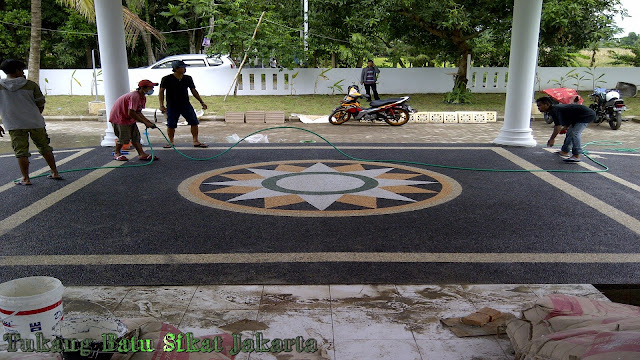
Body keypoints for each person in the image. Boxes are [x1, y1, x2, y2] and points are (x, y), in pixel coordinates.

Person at [0, 59, 62, 185]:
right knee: (44, 147)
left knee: (21, 152)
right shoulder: (31, 85)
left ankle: (26, 178)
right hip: (35, 122)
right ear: (17, 71)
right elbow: (40, 103)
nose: (23, 73)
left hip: (14, 124)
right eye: (22, 70)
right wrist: (33, 114)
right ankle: (54, 172)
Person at [158, 60, 208, 148]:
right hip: (172, 105)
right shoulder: (166, 79)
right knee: (171, 124)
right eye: (182, 67)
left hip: (185, 104)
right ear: (176, 68)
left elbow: (193, 90)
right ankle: (171, 141)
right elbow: (161, 92)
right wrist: (161, 105)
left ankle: (195, 140)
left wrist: (201, 102)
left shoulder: (187, 78)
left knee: (194, 121)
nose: (184, 69)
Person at [109, 79, 159, 161]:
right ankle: (117, 153)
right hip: (120, 118)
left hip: (128, 118)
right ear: (143, 88)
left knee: (135, 136)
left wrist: (148, 122)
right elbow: (131, 112)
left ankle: (141, 154)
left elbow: (138, 112)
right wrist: (145, 122)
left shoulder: (142, 97)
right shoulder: (134, 96)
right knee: (123, 137)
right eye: (150, 88)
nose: (152, 89)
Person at [536, 96, 596, 163]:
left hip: (587, 115)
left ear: (547, 104)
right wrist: (566, 127)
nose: (538, 108)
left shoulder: (555, 110)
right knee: (570, 132)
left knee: (574, 133)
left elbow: (557, 127)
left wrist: (552, 139)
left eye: (540, 106)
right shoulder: (554, 109)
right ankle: (564, 151)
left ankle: (576, 155)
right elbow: (569, 116)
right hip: (577, 116)